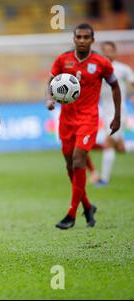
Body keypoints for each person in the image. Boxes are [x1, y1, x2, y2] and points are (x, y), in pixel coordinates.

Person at [46, 23, 121, 230]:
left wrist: (117, 116)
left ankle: (71, 214)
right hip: (66, 120)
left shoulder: (101, 62)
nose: (82, 40)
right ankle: (88, 207)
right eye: (78, 36)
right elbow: (51, 82)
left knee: (79, 159)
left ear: (92, 40)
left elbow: (115, 86)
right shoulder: (63, 59)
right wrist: (49, 99)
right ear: (74, 38)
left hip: (88, 119)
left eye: (86, 37)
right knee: (70, 166)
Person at [94, 41, 134, 186]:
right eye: (104, 51)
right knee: (120, 148)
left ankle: (104, 179)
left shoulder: (123, 69)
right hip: (105, 112)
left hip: (119, 112)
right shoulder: (97, 70)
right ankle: (104, 179)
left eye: (110, 50)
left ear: (115, 53)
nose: (107, 53)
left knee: (108, 143)